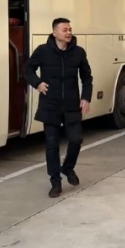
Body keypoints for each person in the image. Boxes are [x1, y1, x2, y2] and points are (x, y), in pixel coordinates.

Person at [24, 18, 93, 198]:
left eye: (70, 29)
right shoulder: (43, 51)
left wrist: (86, 97)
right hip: (50, 105)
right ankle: (55, 182)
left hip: (72, 105)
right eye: (64, 30)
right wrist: (37, 83)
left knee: (76, 139)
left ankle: (67, 168)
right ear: (55, 32)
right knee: (52, 145)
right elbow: (28, 69)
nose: (68, 32)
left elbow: (87, 77)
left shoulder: (78, 52)